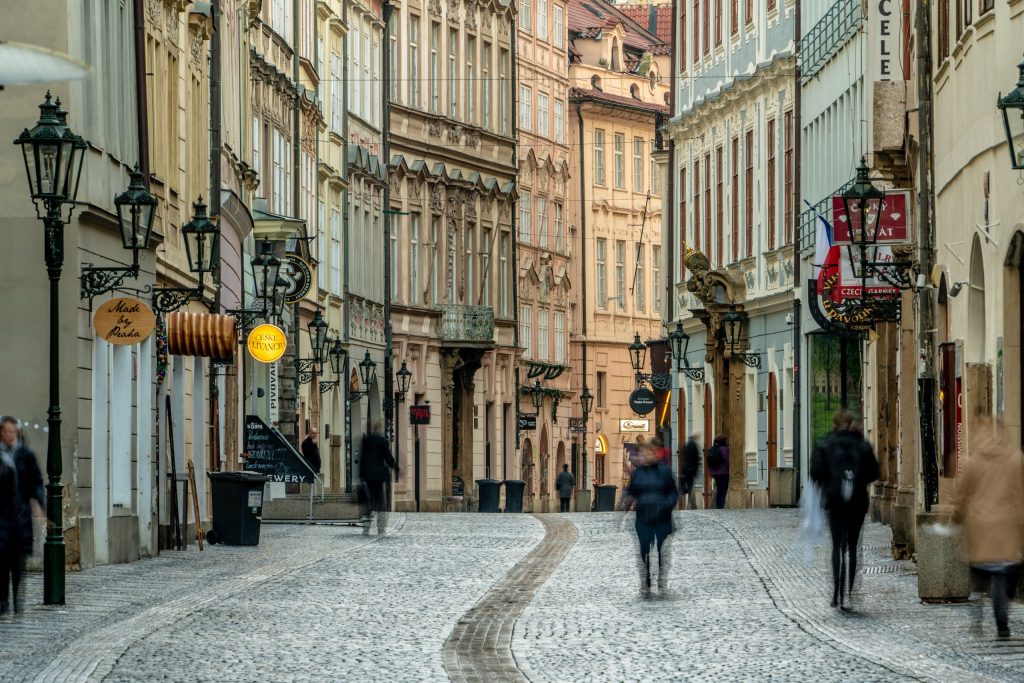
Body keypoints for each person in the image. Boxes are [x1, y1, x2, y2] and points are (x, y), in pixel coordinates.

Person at [953, 418, 1024, 638]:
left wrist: (957, 517)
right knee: (1007, 574)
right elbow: (1020, 494)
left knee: (981, 577)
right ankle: (1002, 623)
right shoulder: (1015, 459)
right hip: (1007, 527)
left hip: (981, 526)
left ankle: (977, 618)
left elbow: (962, 496)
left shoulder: (973, 462)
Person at [810, 411, 880, 610]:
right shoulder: (863, 445)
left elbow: (815, 473)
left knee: (837, 546)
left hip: (834, 501)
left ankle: (836, 593)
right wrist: (857, 480)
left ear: (834, 425)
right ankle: (849, 592)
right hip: (857, 501)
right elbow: (874, 473)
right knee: (853, 546)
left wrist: (828, 483)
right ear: (851, 424)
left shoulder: (825, 444)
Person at [623, 443, 679, 595]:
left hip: (662, 517)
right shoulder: (637, 474)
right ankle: (646, 577)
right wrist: (627, 503)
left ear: (655, 455)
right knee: (644, 549)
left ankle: (661, 577)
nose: (645, 456)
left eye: (648, 453)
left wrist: (666, 505)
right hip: (643, 516)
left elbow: (673, 493)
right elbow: (632, 491)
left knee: (662, 549)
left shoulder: (665, 472)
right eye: (643, 454)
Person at [0, 417, 43, 615]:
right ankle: (3, 600)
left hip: (20, 517)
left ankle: (17, 598)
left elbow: (36, 482)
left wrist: (39, 504)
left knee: (18, 561)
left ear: (17, 433)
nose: (8, 435)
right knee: (2, 559)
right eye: (5, 431)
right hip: (2, 516)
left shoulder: (26, 454)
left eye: (11, 432)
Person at [359, 423, 398, 536]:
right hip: (379, 476)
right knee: (380, 501)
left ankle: (366, 528)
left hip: (368, 476)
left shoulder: (366, 440)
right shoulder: (381, 441)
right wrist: (396, 468)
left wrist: (361, 476)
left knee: (368, 501)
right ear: (379, 430)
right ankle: (381, 528)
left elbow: (362, 458)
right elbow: (387, 457)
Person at [707, 435, 730, 509]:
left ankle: (718, 505)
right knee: (723, 490)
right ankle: (721, 505)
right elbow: (727, 460)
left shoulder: (713, 448)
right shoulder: (725, 449)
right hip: (724, 472)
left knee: (719, 489)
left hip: (715, 473)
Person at [681, 432, 701, 510]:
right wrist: (696, 468)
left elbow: (683, 456)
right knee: (690, 485)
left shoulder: (687, 444)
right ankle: (690, 501)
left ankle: (686, 500)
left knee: (687, 484)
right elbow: (696, 458)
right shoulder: (693, 445)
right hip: (691, 469)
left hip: (686, 468)